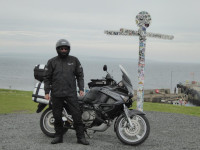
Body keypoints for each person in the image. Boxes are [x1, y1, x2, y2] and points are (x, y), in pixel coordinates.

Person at [44, 39, 89, 145]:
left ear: (68, 49)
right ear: (57, 49)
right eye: (61, 48)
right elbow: (47, 78)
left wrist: (81, 89)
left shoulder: (74, 60)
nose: (63, 50)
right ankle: (58, 136)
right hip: (56, 94)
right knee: (57, 116)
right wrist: (47, 92)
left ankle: (81, 137)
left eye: (65, 48)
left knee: (77, 115)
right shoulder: (52, 61)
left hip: (71, 93)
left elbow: (80, 75)